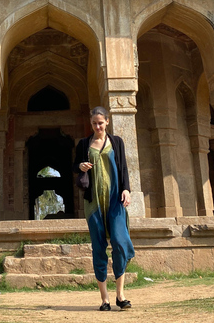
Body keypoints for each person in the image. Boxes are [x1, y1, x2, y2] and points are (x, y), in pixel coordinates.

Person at [73, 106, 135, 311]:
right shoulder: (84, 144)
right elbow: (75, 166)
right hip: (93, 203)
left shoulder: (116, 142)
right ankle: (105, 299)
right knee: (98, 247)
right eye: (94, 123)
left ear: (107, 121)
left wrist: (126, 189)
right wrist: (81, 166)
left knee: (119, 241)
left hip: (115, 200)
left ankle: (120, 294)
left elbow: (123, 167)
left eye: (101, 122)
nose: (98, 126)